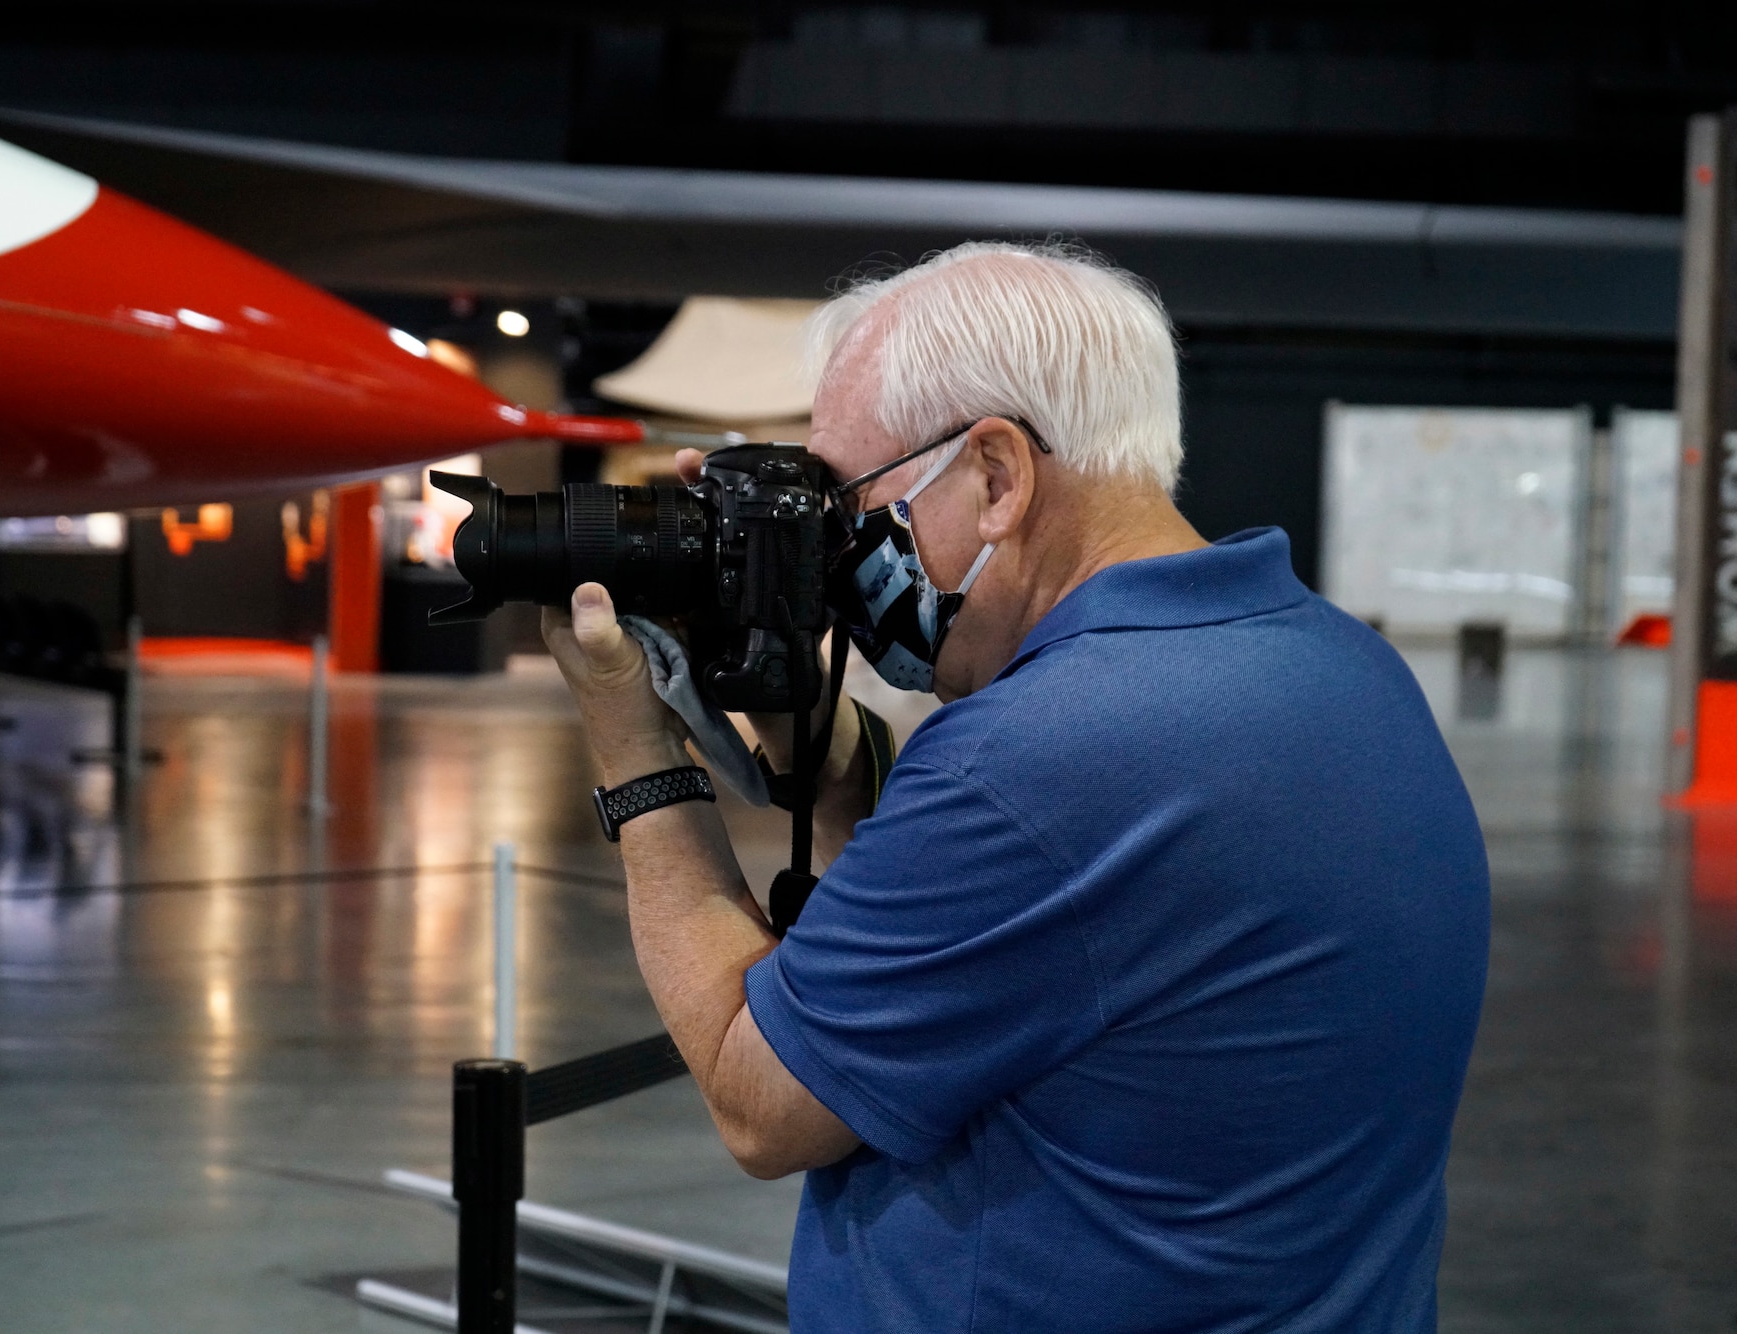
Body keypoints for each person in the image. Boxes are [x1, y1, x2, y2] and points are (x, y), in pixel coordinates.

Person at [543, 241, 1489, 1332]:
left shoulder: (1041, 755)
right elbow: (1026, 916)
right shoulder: (1338, 663)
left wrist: (631, 744)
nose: (833, 549)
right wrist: (800, 716)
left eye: (848, 501)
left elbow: (754, 1099)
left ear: (994, 475)